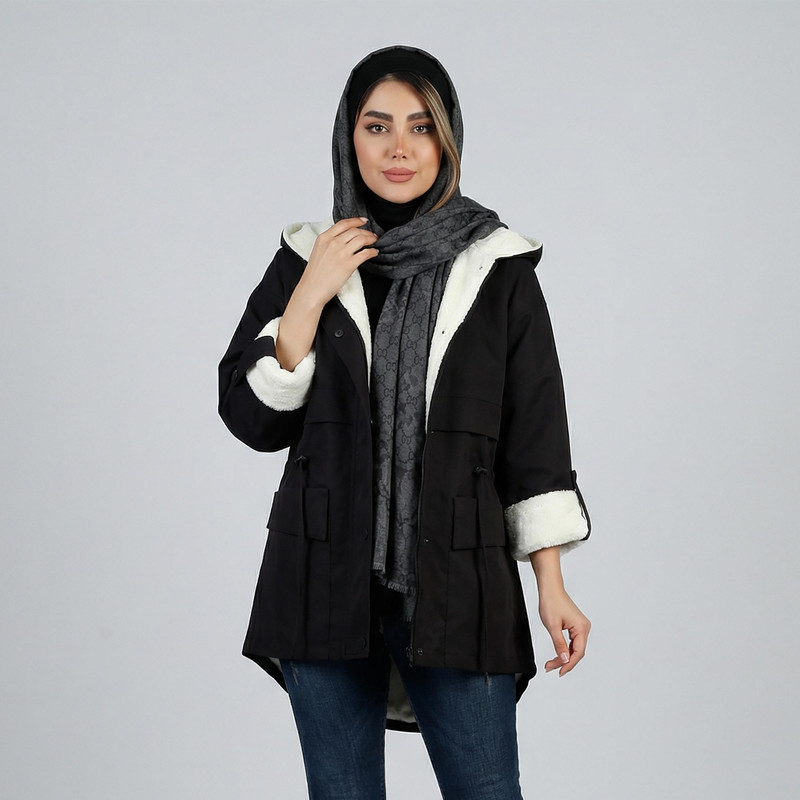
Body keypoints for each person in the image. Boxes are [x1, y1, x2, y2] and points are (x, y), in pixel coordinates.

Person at [218, 44, 592, 800]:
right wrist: (311, 293)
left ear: (447, 140)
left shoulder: (499, 268)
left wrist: (551, 585)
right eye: (377, 125)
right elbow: (252, 418)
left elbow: (536, 440)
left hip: (459, 581)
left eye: (421, 127)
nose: (399, 148)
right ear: (348, 138)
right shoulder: (305, 258)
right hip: (321, 577)